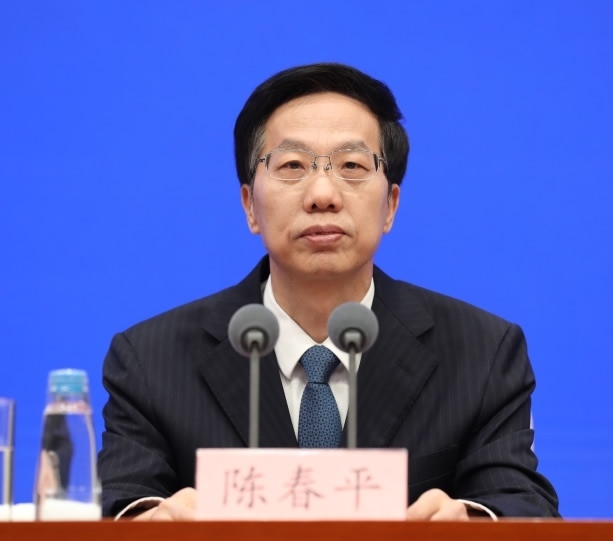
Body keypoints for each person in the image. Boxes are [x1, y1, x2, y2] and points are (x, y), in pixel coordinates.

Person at [98, 62, 559, 520]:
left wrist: (469, 523)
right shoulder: (150, 362)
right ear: (250, 205)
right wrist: (152, 525)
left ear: (390, 206)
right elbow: (116, 504)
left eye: (352, 166)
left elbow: (523, 506)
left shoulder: (481, 353)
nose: (323, 194)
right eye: (292, 166)